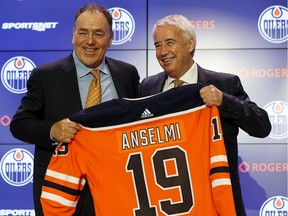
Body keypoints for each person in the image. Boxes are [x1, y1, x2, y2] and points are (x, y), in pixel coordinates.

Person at [10, 3, 139, 216]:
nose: (90, 41)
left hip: (118, 189)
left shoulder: (128, 74)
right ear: (73, 35)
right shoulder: (46, 76)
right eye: (83, 33)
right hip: (62, 193)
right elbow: (19, 124)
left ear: (111, 38)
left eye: (98, 34)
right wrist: (53, 130)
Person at [138, 14, 271, 216]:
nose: (163, 52)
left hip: (215, 205)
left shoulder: (224, 84)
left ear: (190, 44)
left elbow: (262, 127)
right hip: (165, 204)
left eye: (170, 43)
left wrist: (224, 100)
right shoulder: (147, 87)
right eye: (157, 45)